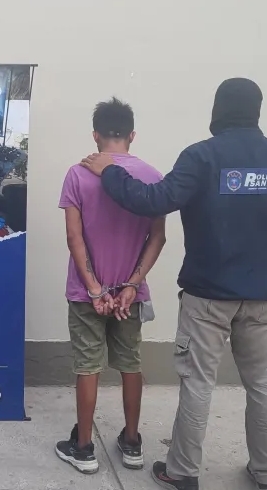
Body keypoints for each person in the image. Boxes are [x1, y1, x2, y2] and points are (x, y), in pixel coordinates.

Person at [81, 78, 267, 490]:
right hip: (265, 296)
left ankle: (182, 472)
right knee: (264, 385)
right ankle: (266, 474)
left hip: (208, 295)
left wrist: (110, 171)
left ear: (218, 110)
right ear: (257, 111)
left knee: (198, 384)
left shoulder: (202, 157)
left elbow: (154, 200)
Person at [55, 98, 167, 474]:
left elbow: (74, 238)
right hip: (129, 296)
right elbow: (157, 237)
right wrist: (132, 284)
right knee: (130, 362)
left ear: (95, 135)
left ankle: (84, 448)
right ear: (132, 135)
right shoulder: (152, 176)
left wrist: (94, 287)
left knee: (88, 366)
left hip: (87, 293)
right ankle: (132, 443)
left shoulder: (77, 174)